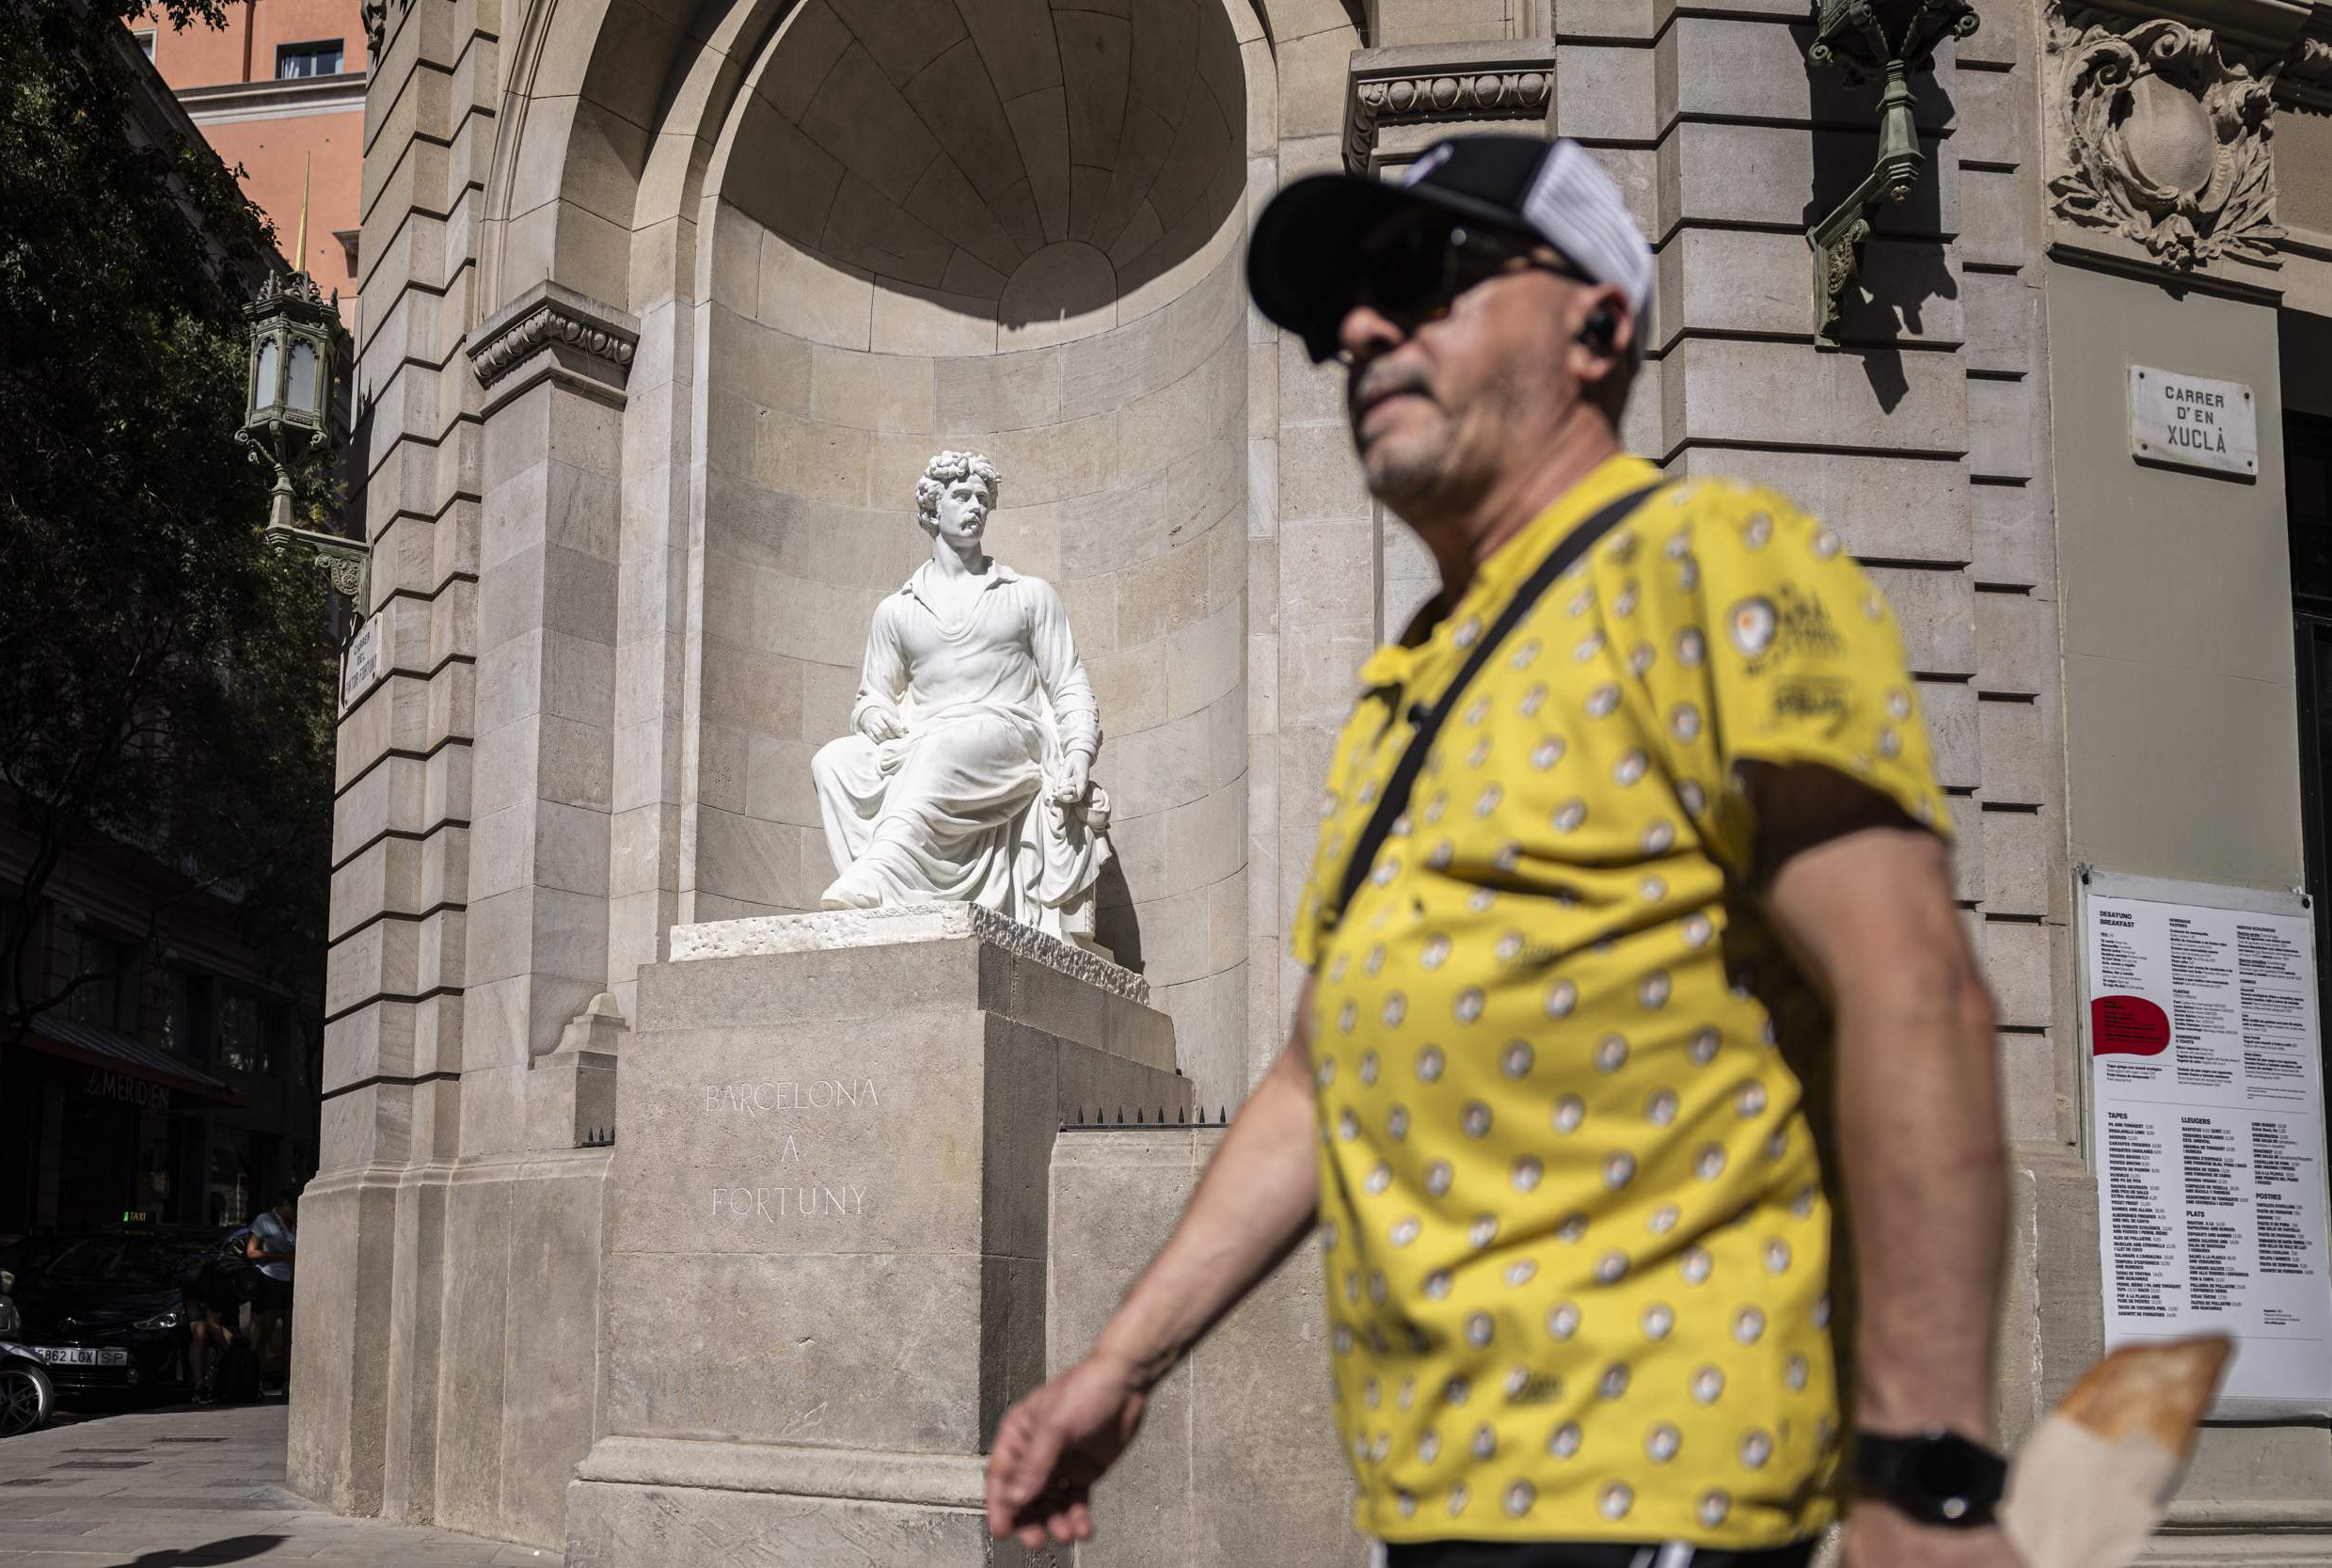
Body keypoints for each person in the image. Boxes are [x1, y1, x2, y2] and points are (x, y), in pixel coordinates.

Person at [987, 135, 2013, 1568]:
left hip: (1661, 1505)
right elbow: (1313, 1080)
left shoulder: (1708, 560)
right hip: (1436, 1515)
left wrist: (1930, 1479)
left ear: (1597, 322)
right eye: (1347, 304)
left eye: (1419, 274)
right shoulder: (1405, 687)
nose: (1359, 328)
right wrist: (1120, 1366)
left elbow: (1916, 994)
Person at [811, 449, 1111, 937]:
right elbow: (872, 697)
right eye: (961, 495)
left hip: (1010, 736)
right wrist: (871, 717)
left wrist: (1078, 751)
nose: (975, 506)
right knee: (833, 762)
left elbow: (1068, 681)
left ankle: (880, 875)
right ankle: (893, 902)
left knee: (945, 746)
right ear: (933, 508)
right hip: (926, 740)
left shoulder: (1027, 594)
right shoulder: (896, 611)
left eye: (982, 498)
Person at [182, 1225, 253, 1403]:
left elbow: (232, 1331)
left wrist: (238, 1352)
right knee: (201, 1334)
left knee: (235, 1342)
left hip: (223, 1299)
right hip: (197, 1295)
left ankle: (228, 1380)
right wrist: (231, 1353)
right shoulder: (214, 1282)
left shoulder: (243, 1282)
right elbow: (212, 1323)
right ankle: (199, 1387)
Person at [246, 1190, 298, 1397]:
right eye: (293, 1208)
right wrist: (282, 1256)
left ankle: (288, 1382)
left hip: (292, 1281)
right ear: (284, 1204)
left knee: (290, 1336)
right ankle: (255, 1380)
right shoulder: (264, 1220)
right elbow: (251, 1252)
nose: (295, 1212)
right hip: (270, 1279)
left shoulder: (297, 1223)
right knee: (264, 1333)